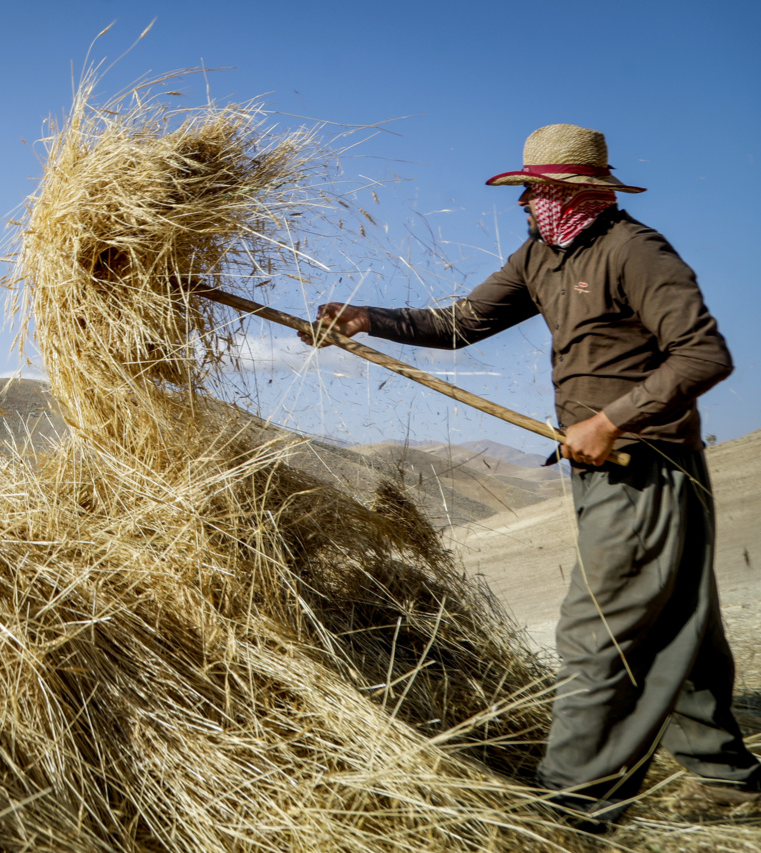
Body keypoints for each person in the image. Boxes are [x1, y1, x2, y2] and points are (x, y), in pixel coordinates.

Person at [301, 124, 759, 829]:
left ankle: (569, 805)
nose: (523, 204)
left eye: (534, 191)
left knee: (595, 631)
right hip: (605, 475)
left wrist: (610, 420)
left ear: (577, 190)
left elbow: (703, 354)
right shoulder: (541, 256)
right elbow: (459, 321)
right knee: (677, 623)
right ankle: (727, 778)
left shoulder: (634, 251)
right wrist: (368, 318)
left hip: (646, 468)